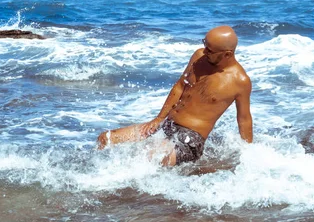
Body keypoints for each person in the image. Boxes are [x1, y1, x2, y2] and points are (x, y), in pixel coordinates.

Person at [97, 25, 253, 166]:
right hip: (167, 124)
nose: (204, 52)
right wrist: (159, 118)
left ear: (227, 54)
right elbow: (180, 86)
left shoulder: (240, 81)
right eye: (205, 45)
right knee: (106, 138)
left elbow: (244, 119)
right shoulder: (199, 56)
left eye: (210, 51)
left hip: (191, 138)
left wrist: (248, 155)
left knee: (151, 159)